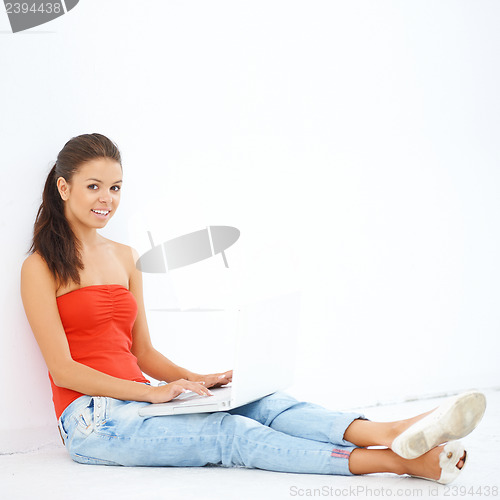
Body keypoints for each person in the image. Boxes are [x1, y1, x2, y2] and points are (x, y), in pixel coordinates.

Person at [20, 133, 486, 483]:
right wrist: (151, 394)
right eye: (94, 187)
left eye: (116, 188)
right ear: (64, 188)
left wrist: (196, 380)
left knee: (260, 402)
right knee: (230, 434)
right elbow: (63, 370)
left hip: (142, 401)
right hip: (92, 422)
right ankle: (400, 460)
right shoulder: (40, 267)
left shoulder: (124, 256)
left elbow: (142, 353)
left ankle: (394, 429)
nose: (107, 200)